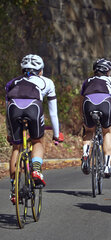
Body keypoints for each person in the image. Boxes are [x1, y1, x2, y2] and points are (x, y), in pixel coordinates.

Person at [5, 54, 64, 204]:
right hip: (33, 108)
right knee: (38, 141)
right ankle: (36, 170)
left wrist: (9, 133)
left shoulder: (12, 83)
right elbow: (53, 113)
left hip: (13, 109)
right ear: (41, 70)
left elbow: (7, 110)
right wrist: (56, 135)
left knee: (16, 148)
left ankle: (14, 190)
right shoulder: (47, 83)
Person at [80, 58, 111, 178]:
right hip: (106, 104)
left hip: (88, 104)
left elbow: (81, 101)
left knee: (89, 131)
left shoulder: (87, 81)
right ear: (108, 71)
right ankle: (107, 165)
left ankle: (85, 154)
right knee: (107, 132)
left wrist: (82, 117)